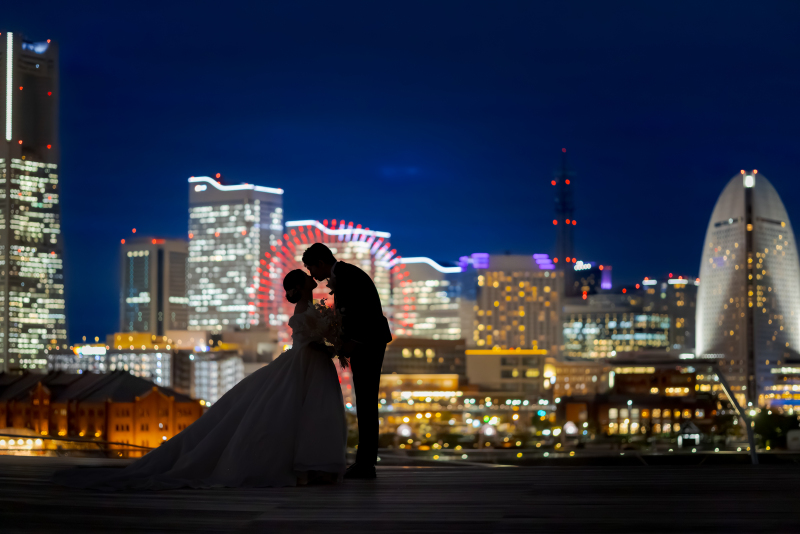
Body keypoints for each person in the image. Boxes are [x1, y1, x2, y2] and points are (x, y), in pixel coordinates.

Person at [53, 269, 346, 490]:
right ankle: (307, 467)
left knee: (304, 414)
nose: (311, 277)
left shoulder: (313, 307)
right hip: (306, 361)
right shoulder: (304, 309)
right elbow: (307, 338)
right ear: (299, 286)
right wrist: (332, 344)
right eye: (305, 277)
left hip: (310, 363)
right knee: (298, 413)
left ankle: (311, 467)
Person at [303, 243, 392, 480]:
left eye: (311, 268)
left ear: (321, 263)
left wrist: (352, 341)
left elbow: (362, 314)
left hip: (368, 344)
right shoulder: (347, 273)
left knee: (365, 400)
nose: (312, 275)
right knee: (365, 400)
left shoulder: (345, 276)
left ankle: (365, 464)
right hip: (368, 342)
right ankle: (364, 462)